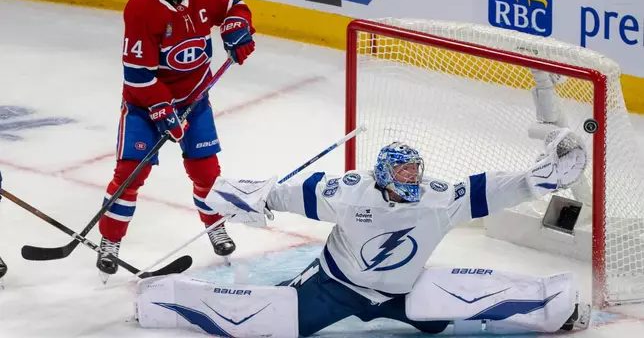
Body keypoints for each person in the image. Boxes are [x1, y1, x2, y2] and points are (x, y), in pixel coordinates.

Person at [135, 128, 590, 337]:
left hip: (402, 291)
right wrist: (241, 195)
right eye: (405, 171)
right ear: (385, 175)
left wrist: (538, 178)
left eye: (417, 170)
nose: (414, 177)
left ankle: (560, 305)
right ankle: (160, 298)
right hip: (335, 289)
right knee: (262, 321)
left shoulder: (437, 197)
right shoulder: (350, 193)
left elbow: (489, 188)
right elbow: (291, 194)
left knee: (465, 297)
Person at [96, 0, 256, 276]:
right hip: (144, 106)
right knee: (130, 174)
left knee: (207, 174)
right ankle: (109, 241)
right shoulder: (141, 8)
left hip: (194, 102)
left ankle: (215, 227)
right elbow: (137, 75)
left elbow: (234, 7)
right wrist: (162, 111)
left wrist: (237, 29)